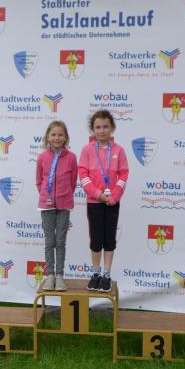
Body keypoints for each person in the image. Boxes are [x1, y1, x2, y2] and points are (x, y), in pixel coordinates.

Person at [78, 110, 129, 292]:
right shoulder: (87, 150)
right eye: (98, 127)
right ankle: (95, 274)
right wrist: (98, 194)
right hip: (94, 202)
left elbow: (124, 174)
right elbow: (83, 174)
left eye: (105, 126)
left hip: (112, 202)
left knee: (109, 239)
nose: (102, 130)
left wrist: (114, 196)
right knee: (96, 239)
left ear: (112, 127)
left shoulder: (119, 150)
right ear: (92, 129)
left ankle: (106, 275)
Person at [35, 120, 77, 292]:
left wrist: (64, 195)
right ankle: (50, 275)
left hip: (64, 205)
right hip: (46, 206)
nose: (57, 138)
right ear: (47, 137)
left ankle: (59, 276)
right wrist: (46, 196)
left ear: (65, 137)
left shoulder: (71, 157)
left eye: (60, 135)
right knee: (49, 241)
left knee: (60, 241)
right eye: (53, 134)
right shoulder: (42, 157)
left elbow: (73, 181)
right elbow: (39, 181)